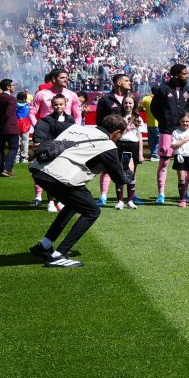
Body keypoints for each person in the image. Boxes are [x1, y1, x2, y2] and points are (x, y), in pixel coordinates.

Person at [28, 114, 132, 268]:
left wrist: (39, 139)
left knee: (74, 204)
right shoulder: (108, 146)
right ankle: (58, 255)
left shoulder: (76, 128)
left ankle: (44, 245)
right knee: (92, 211)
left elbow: (45, 120)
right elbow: (119, 178)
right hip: (57, 177)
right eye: (121, 134)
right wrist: (129, 173)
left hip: (38, 169)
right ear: (117, 132)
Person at [96, 75, 142, 208]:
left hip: (130, 143)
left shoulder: (132, 101)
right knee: (108, 168)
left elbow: (138, 128)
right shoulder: (106, 99)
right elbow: (99, 121)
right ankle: (103, 196)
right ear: (119, 82)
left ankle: (131, 197)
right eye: (126, 80)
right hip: (112, 140)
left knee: (130, 170)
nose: (129, 82)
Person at [150, 63, 189, 205]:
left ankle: (184, 193)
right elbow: (154, 108)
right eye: (184, 73)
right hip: (167, 131)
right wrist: (164, 121)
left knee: (185, 163)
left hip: (183, 131)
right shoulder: (163, 89)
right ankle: (161, 194)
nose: (187, 76)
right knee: (164, 162)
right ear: (175, 75)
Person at [34, 93, 77, 210]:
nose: (59, 107)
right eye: (56, 104)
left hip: (65, 152)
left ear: (65, 105)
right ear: (52, 106)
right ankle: (50, 201)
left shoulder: (71, 119)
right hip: (51, 152)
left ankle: (61, 201)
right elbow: (40, 135)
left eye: (61, 104)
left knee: (63, 178)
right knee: (51, 178)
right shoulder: (46, 120)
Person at [0, 79, 21, 178]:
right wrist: (0, 122)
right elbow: (8, 114)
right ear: (8, 87)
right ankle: (7, 169)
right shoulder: (11, 99)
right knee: (14, 148)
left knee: (0, 149)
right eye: (13, 85)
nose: (15, 86)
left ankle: (0, 170)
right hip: (10, 127)